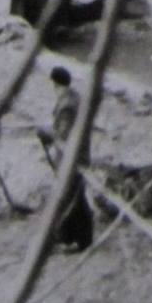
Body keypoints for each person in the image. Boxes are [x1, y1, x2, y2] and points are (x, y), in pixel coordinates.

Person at [41, 64, 93, 252]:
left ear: (56, 84)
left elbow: (63, 134)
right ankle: (71, 236)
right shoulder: (75, 98)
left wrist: (47, 134)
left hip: (71, 158)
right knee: (74, 195)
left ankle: (79, 240)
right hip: (78, 155)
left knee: (72, 197)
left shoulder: (66, 106)